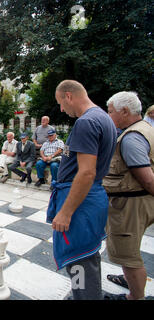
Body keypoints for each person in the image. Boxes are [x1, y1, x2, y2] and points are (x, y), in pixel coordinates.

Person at [47, 80, 117, 300]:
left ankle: (85, 297)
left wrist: (66, 211)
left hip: (80, 202)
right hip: (90, 197)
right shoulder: (104, 118)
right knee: (86, 255)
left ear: (69, 96)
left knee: (78, 258)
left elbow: (86, 172)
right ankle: (83, 295)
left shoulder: (86, 122)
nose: (61, 109)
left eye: (60, 103)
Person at [102, 91, 154, 300]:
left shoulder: (131, 138)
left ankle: (135, 296)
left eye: (111, 111)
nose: (109, 115)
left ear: (125, 111)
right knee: (131, 251)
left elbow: (147, 178)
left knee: (128, 256)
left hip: (132, 205)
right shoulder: (145, 128)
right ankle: (130, 279)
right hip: (138, 201)